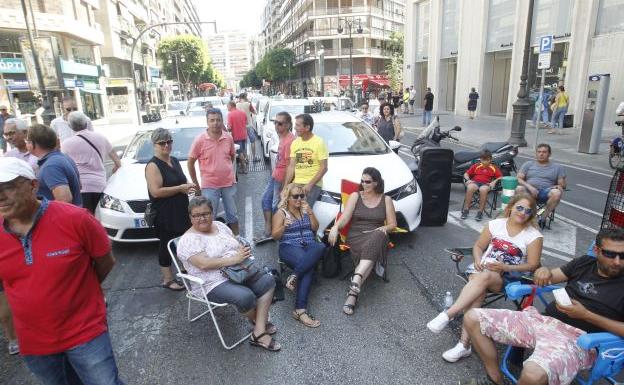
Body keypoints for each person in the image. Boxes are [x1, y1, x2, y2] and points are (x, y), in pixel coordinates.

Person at [0, 157, 124, 384]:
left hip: (85, 332)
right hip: (35, 343)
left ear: (32, 185)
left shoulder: (75, 219)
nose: (0, 196)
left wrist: (80, 290)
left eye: (7, 187)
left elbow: (105, 260)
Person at [459, 228, 624, 385]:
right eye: (610, 254)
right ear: (596, 251)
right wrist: (544, 270)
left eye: (622, 255)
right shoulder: (585, 263)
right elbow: (551, 277)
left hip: (580, 341)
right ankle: (495, 379)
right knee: (473, 318)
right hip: (543, 321)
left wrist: (586, 315)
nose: (617, 261)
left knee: (532, 374)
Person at [428, 193, 543, 364]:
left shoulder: (533, 236)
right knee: (479, 290)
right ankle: (463, 345)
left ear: (531, 215)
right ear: (510, 207)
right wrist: (477, 260)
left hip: (506, 277)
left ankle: (449, 313)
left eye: (528, 211)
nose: (522, 212)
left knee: (484, 279)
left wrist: (506, 267)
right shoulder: (495, 224)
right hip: (480, 269)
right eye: (519, 207)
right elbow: (478, 246)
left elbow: (533, 265)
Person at [177, 196, 281, 351]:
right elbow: (204, 264)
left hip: (238, 271)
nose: (202, 218)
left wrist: (242, 250)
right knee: (246, 296)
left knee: (268, 280)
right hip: (211, 282)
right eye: (196, 215)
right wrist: (235, 259)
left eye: (205, 213)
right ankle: (259, 325)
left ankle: (258, 329)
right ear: (190, 217)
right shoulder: (188, 240)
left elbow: (235, 242)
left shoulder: (220, 225)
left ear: (212, 213)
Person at [328, 167, 397, 315]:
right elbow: (345, 218)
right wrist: (335, 227)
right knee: (371, 254)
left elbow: (393, 224)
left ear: (377, 183)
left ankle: (354, 290)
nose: (363, 184)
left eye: (368, 182)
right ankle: (356, 282)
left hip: (376, 234)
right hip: (356, 235)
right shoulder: (355, 196)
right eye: (362, 181)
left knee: (379, 235)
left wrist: (384, 228)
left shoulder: (386, 199)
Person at [145, 128, 195, 291]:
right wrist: (180, 188)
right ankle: (167, 278)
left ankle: (185, 269)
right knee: (166, 244)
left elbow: (182, 180)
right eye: (162, 143)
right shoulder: (153, 166)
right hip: (164, 212)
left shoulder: (173, 160)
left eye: (169, 142)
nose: (166, 145)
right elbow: (156, 192)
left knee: (183, 240)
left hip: (180, 209)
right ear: (155, 145)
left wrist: (190, 187)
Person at [272, 183, 325, 328]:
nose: (299, 199)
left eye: (302, 196)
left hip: (308, 245)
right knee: (308, 266)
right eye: (295, 196)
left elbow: (315, 229)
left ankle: (294, 276)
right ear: (288, 198)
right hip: (289, 246)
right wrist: (285, 226)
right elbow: (275, 236)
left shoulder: (306, 210)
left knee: (320, 246)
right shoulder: (281, 213)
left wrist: (311, 213)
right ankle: (300, 310)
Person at [188, 108, 239, 235]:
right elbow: (190, 162)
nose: (215, 123)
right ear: (207, 122)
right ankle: (210, 243)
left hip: (228, 183)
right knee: (209, 217)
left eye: (218, 120)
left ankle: (237, 240)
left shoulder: (228, 138)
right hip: (209, 185)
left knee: (233, 215)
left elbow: (232, 156)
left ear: (222, 121)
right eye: (212, 120)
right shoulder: (200, 140)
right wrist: (196, 185)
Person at [61, 111, 122, 213]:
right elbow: (117, 161)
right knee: (100, 218)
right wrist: (114, 170)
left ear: (70, 126)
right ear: (86, 123)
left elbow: (65, 166)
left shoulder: (66, 144)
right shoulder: (101, 138)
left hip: (80, 188)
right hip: (100, 185)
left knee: (85, 220)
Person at [256, 112, 295, 242]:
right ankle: (269, 228)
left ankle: (274, 232)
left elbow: (290, 166)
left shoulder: (290, 141)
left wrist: (285, 186)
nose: (277, 125)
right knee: (265, 200)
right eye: (275, 123)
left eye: (280, 123)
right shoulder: (282, 138)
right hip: (275, 176)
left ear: (288, 125)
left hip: (281, 179)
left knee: (275, 206)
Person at [27, 124, 82, 206]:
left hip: (64, 217)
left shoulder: (51, 166)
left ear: (32, 144)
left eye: (27, 141)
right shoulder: (62, 158)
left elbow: (65, 200)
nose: (26, 144)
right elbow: (79, 186)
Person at [516, 143, 566, 230]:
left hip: (545, 192)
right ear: (536, 153)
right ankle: (524, 216)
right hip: (529, 191)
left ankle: (542, 218)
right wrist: (530, 188)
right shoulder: (528, 164)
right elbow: (518, 179)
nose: (541, 154)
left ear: (549, 154)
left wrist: (559, 186)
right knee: (519, 188)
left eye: (544, 152)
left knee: (557, 193)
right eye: (539, 152)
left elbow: (562, 185)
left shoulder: (557, 167)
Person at [284, 113, 328, 208]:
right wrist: (286, 186)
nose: (294, 128)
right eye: (295, 125)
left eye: (298, 125)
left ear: (307, 127)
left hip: (313, 184)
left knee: (302, 211)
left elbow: (324, 168)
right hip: (297, 183)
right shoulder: (295, 143)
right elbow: (291, 167)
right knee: (283, 206)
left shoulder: (319, 142)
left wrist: (310, 185)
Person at [461, 150, 503, 221]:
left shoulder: (493, 168)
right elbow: (466, 174)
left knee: (483, 190)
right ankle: (466, 210)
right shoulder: (476, 166)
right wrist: (468, 180)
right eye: (483, 160)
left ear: (490, 159)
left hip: (486, 184)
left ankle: (480, 212)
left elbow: (501, 177)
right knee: (470, 187)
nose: (485, 162)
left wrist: (494, 182)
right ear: (480, 159)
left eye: (487, 160)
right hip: (475, 182)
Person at [227, 101, 249, 174]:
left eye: (228, 106)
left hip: (236, 136)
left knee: (240, 153)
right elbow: (246, 122)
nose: (227, 108)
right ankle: (245, 163)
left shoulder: (230, 115)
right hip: (244, 134)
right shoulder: (242, 112)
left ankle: (244, 168)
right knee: (243, 150)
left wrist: (228, 129)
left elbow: (229, 127)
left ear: (231, 106)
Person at [236, 93, 258, 162]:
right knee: (252, 141)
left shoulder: (236, 105)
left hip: (241, 126)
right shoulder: (248, 104)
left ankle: (246, 159)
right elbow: (255, 112)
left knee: (244, 142)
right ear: (245, 97)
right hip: (249, 125)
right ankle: (254, 157)